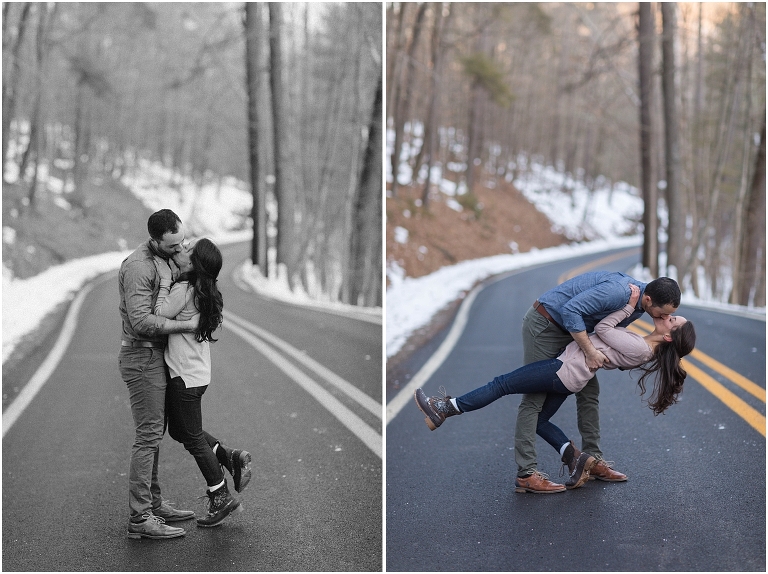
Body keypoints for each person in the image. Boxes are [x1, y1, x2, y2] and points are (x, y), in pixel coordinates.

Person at [415, 284, 696, 490]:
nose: (667, 317)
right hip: (571, 375)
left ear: (670, 338)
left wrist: (626, 306)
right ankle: (573, 457)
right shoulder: (643, 347)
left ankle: (444, 409)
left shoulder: (640, 347)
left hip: (562, 371)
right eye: (670, 314)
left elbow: (603, 330)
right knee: (539, 420)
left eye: (672, 320)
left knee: (501, 384)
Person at [514, 272, 681, 493]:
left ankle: (592, 461)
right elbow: (570, 311)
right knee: (534, 399)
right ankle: (526, 474)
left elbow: (610, 333)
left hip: (572, 332)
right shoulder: (619, 292)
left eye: (669, 317)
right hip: (546, 325)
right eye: (663, 314)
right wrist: (590, 352)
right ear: (650, 300)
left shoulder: (639, 305)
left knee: (589, 392)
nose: (663, 319)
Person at [154, 237, 252, 528]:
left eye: (188, 250)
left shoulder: (184, 290)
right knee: (181, 432)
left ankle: (220, 494)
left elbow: (157, 315)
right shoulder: (204, 291)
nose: (182, 251)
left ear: (194, 264)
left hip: (183, 377)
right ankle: (228, 456)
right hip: (196, 375)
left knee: (192, 437)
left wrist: (163, 284)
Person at [119, 209, 197, 540]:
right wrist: (187, 325)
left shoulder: (165, 255)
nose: (180, 250)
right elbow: (139, 320)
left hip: (157, 353)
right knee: (148, 435)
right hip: (142, 354)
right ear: (155, 241)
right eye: (173, 246)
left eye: (183, 242)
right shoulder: (139, 267)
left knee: (156, 433)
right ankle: (140, 518)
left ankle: (153, 503)